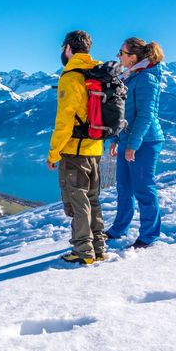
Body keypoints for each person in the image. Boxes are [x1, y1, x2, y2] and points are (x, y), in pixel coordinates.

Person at [47, 30, 106, 265]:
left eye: (63, 48)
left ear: (68, 49)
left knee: (78, 200)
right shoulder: (98, 72)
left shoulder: (71, 77)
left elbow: (64, 121)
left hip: (74, 150)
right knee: (92, 199)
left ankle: (83, 251)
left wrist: (54, 153)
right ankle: (99, 247)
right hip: (95, 149)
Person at [106, 37, 165, 248]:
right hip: (127, 139)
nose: (118, 56)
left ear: (132, 57)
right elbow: (122, 113)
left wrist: (133, 145)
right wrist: (115, 138)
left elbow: (146, 115)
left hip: (145, 141)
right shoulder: (130, 76)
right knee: (123, 187)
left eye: (121, 53)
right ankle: (118, 229)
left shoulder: (147, 79)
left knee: (143, 188)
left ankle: (149, 236)